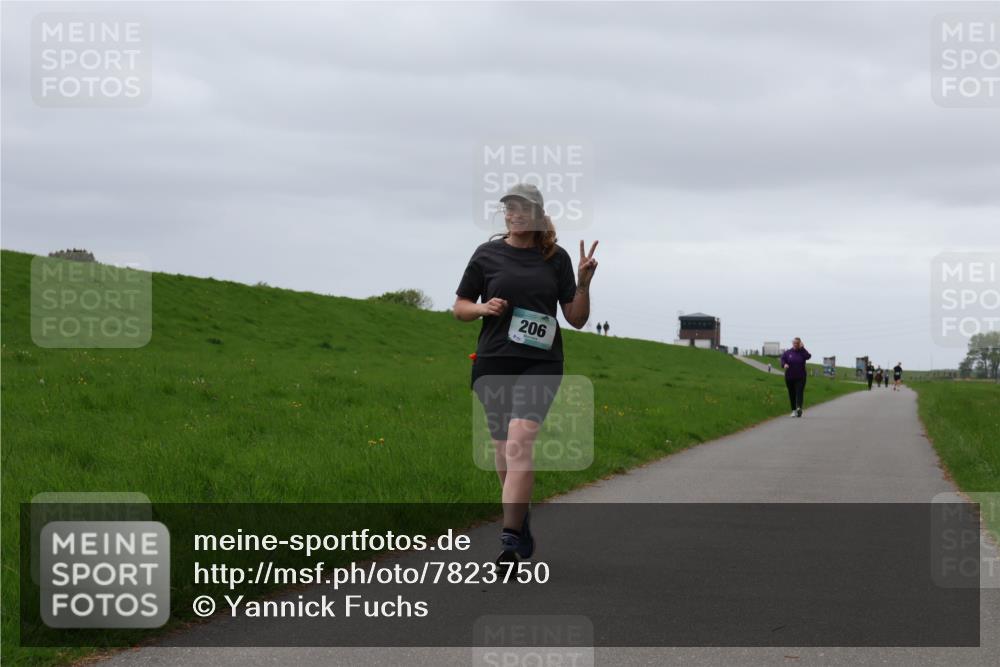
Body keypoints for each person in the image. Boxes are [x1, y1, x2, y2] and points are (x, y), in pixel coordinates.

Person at [453, 183, 598, 563]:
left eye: (521, 209)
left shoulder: (556, 258)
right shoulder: (487, 255)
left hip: (541, 363)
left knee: (519, 442)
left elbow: (577, 319)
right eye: (508, 209)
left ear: (537, 214)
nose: (513, 214)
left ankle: (510, 538)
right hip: (494, 361)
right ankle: (519, 516)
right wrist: (483, 310)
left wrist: (583, 283)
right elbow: (460, 306)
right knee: (502, 449)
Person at [780, 337, 811, 417]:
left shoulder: (802, 352)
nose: (795, 344)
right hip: (789, 377)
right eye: (794, 343)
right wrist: (784, 364)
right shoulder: (788, 352)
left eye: (797, 343)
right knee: (792, 393)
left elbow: (808, 356)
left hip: (801, 377)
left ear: (800, 344)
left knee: (799, 392)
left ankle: (799, 408)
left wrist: (803, 348)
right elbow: (782, 359)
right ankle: (793, 410)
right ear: (792, 343)